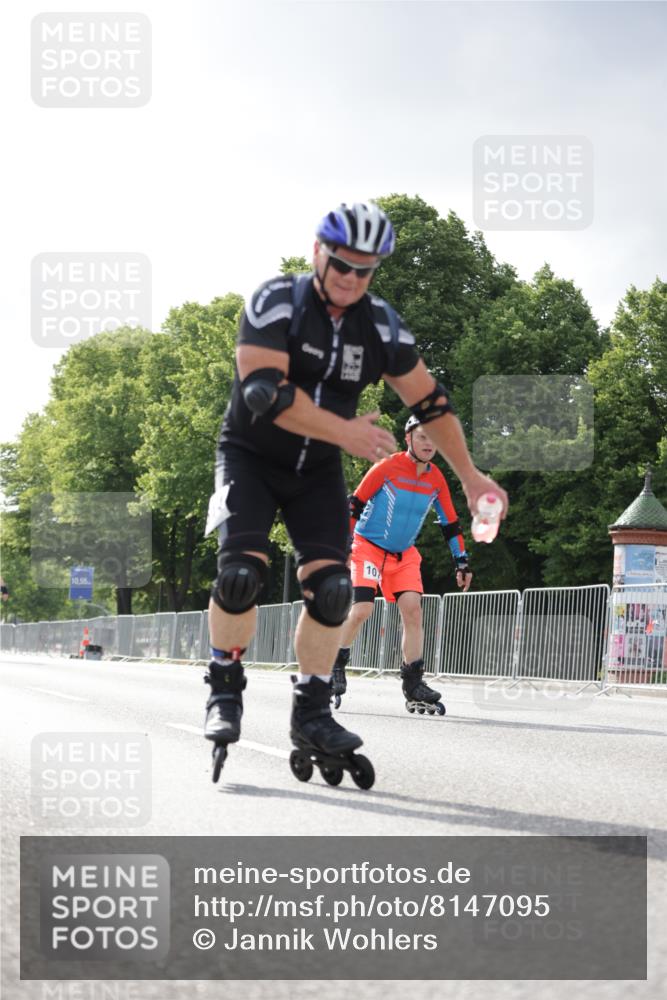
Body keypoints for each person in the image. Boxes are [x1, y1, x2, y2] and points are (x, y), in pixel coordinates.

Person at [203, 200, 508, 786]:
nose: (350, 278)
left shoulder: (380, 325)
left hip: (316, 469)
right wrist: (347, 432)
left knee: (335, 590)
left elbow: (431, 402)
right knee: (240, 575)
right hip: (251, 456)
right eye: (341, 264)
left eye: (364, 271)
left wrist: (471, 478)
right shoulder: (276, 301)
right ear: (318, 252)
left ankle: (312, 709)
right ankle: (224, 684)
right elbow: (263, 389)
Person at [331, 415, 472, 713]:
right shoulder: (387, 467)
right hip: (367, 548)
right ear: (408, 438)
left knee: (413, 611)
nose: (429, 443)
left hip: (403, 554)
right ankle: (335, 664)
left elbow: (450, 523)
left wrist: (461, 562)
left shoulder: (436, 478)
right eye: (422, 436)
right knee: (362, 610)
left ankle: (413, 683)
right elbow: (353, 505)